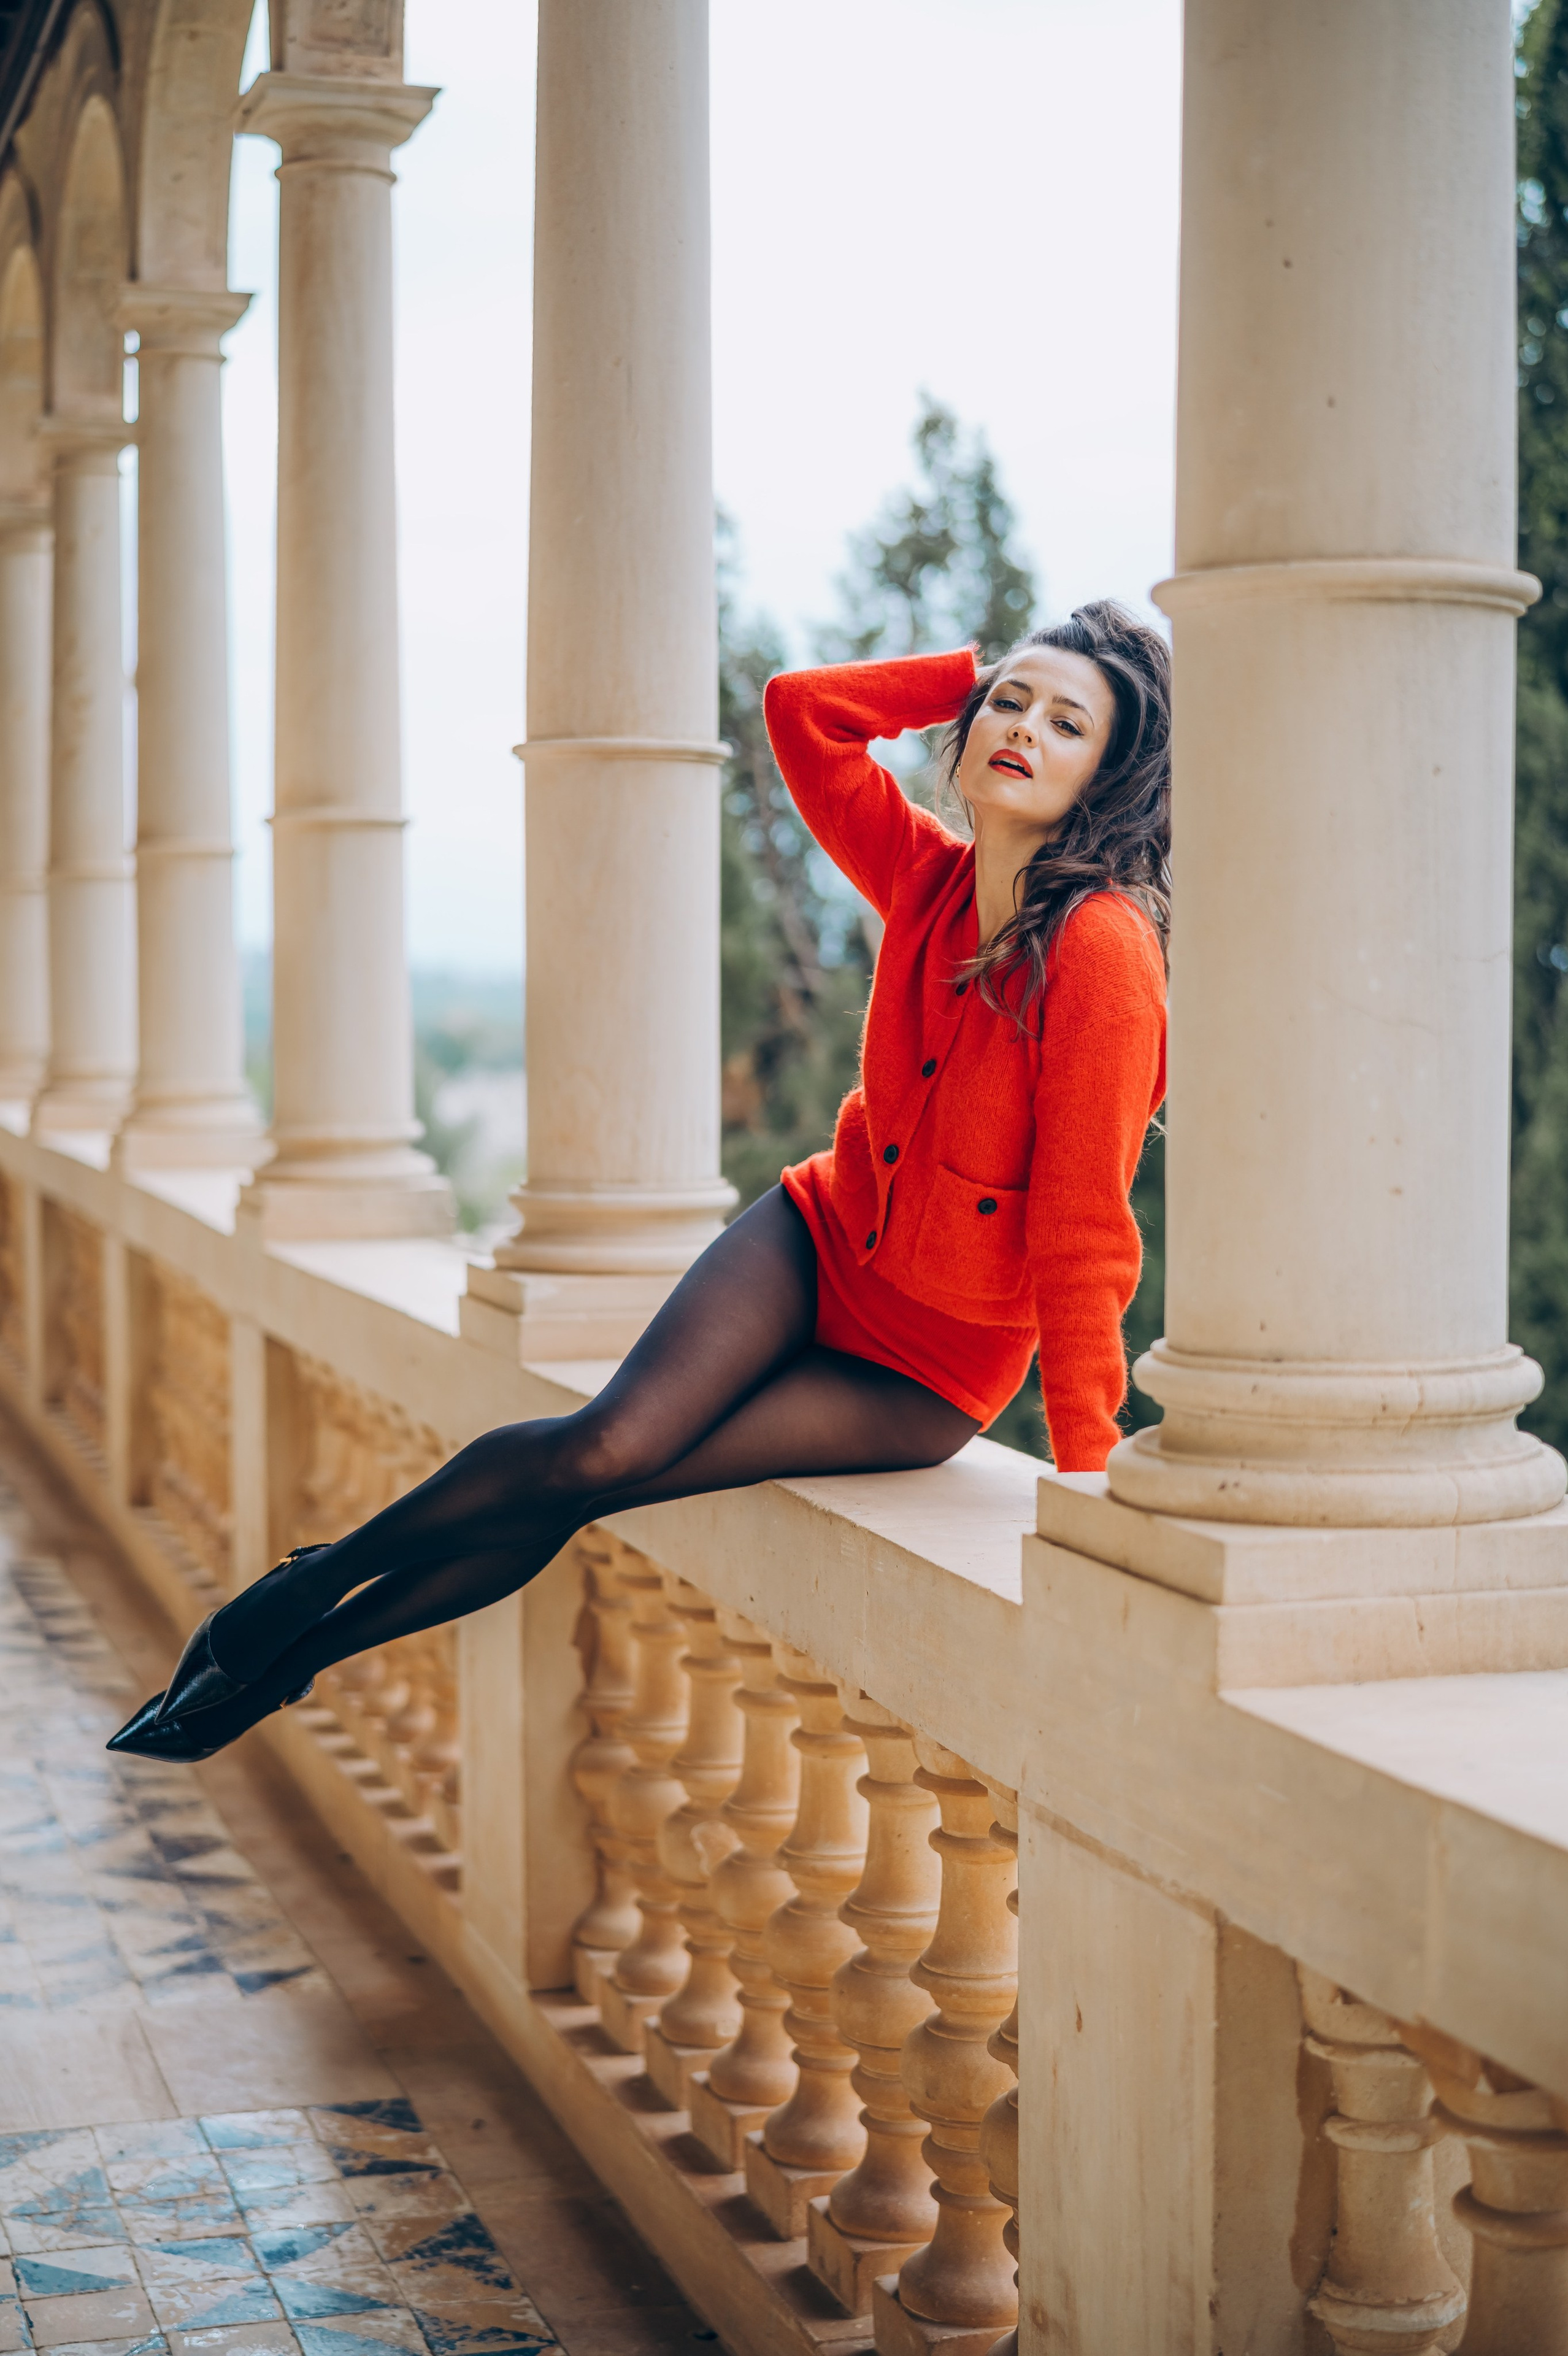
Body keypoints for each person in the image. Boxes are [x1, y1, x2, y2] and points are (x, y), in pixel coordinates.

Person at [109, 601, 1169, 1765]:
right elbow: (802, 716)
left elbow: (1082, 1232)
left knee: (596, 1483)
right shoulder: (929, 877)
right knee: (599, 1445)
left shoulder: (1103, 951)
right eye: (1010, 704)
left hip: (929, 1364)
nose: (1023, 729)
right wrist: (972, 669)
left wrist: (1086, 1475)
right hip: (818, 1237)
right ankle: (294, 1607)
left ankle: (281, 1652)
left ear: (1109, 777)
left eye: (1068, 724)